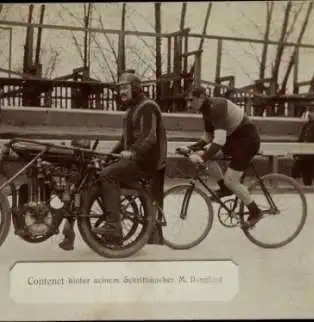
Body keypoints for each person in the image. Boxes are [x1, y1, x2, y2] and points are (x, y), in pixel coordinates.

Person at [92, 71, 167, 242]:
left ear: (136, 88)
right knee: (102, 170)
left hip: (146, 162)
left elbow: (149, 137)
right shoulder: (132, 110)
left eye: (125, 88)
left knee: (107, 175)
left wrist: (132, 152)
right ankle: (114, 228)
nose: (122, 92)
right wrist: (108, 157)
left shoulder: (147, 107)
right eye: (120, 89)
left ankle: (113, 228)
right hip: (136, 159)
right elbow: (124, 141)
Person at [178, 87, 262, 229]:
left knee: (231, 180)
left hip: (246, 141)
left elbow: (220, 140)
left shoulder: (217, 107)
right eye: (187, 101)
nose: (188, 104)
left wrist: (203, 158)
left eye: (191, 100)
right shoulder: (205, 110)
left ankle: (255, 212)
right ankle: (224, 188)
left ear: (203, 97)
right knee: (204, 154)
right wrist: (190, 148)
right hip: (233, 140)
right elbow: (207, 139)